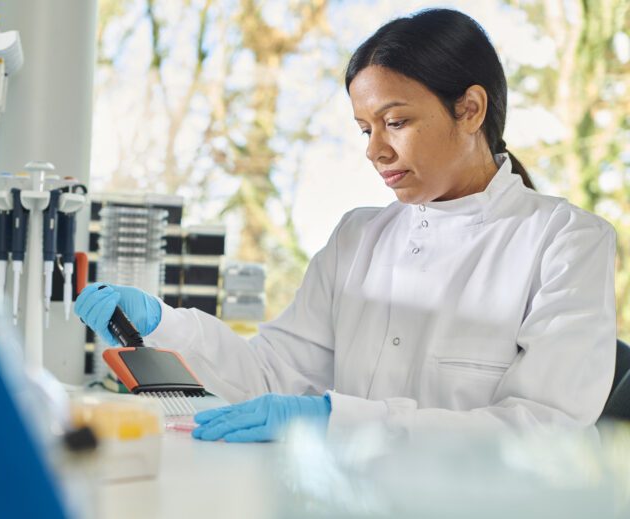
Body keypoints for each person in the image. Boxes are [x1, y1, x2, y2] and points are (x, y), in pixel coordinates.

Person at [75, 8, 616, 443]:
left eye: (396, 122)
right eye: (365, 130)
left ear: (470, 109)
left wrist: (336, 420)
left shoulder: (565, 241)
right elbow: (270, 374)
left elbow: (546, 431)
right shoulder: (358, 239)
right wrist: (162, 325)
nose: (376, 151)